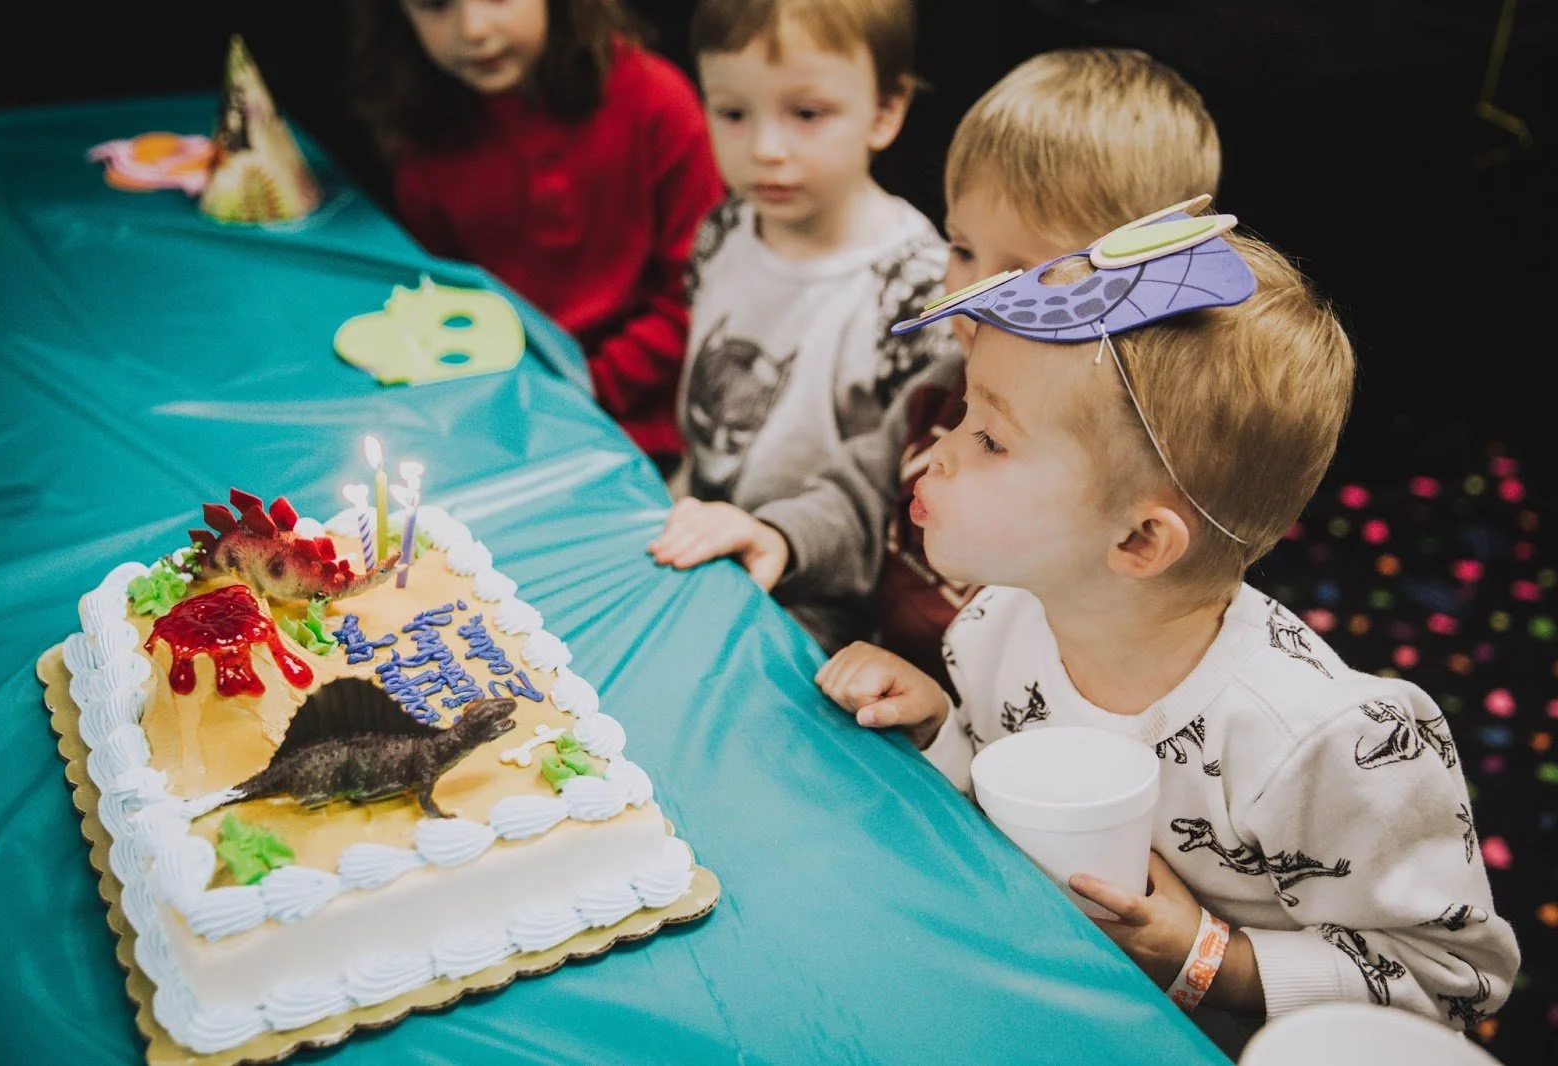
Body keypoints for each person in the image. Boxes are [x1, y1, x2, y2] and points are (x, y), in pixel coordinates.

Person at [816, 214, 1519, 1050]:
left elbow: (1455, 977)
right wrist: (940, 729)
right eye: (966, 413)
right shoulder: (999, 622)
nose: (936, 453)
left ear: (1139, 542)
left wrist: (1213, 958)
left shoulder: (1326, 745)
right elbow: (1019, 823)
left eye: (992, 438)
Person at [649, 46, 1219, 668]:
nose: (970, 297)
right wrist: (780, 534)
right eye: (963, 249)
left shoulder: (1122, 469)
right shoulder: (939, 387)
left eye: (1024, 272)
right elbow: (856, 496)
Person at [646, 0, 961, 653]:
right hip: (695, 536)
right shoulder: (725, 228)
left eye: (808, 115)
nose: (765, 150)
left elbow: (893, 505)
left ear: (885, 111)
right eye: (732, 113)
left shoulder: (916, 290)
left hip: (817, 600)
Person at [345, 0, 724, 475]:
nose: (474, 29)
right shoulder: (425, 141)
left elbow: (698, 300)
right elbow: (446, 301)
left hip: (646, 427)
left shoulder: (658, 102)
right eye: (435, 5)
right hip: (500, 418)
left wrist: (584, 387)